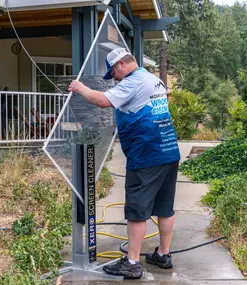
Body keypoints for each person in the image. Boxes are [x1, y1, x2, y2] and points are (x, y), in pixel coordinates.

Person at [68, 47, 180, 279]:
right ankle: (163, 255)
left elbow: (101, 100)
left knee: (136, 210)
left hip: (146, 155)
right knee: (165, 207)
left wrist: (79, 87)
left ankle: (132, 262)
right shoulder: (152, 78)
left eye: (113, 73)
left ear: (120, 64)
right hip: (168, 150)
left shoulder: (133, 81)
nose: (114, 79)